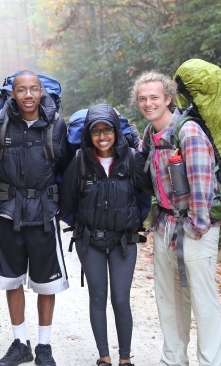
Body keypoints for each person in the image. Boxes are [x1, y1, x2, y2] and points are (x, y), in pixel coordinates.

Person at [0, 70, 70, 366]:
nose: (28, 95)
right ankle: (20, 342)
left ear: (42, 93)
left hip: (44, 212)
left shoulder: (57, 125)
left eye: (34, 89)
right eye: (22, 90)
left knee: (46, 283)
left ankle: (44, 346)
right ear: (12, 94)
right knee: (11, 279)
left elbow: (69, 161)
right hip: (8, 211)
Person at [132, 71, 221, 365]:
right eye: (143, 98)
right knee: (169, 302)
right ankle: (173, 360)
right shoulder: (150, 133)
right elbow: (141, 163)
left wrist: (196, 226)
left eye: (154, 97)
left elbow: (201, 180)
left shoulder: (189, 132)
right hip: (165, 225)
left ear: (168, 98)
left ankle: (211, 362)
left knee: (202, 302)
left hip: (195, 227)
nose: (148, 103)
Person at [58, 104, 149, 366]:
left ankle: (125, 359)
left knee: (121, 299)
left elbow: (144, 199)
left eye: (106, 129)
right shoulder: (80, 162)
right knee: (97, 297)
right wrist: (85, 226)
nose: (102, 136)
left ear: (115, 131)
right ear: (88, 135)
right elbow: (67, 204)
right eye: (95, 131)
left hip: (124, 242)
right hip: (90, 242)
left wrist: (128, 222)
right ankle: (104, 357)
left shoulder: (131, 159)